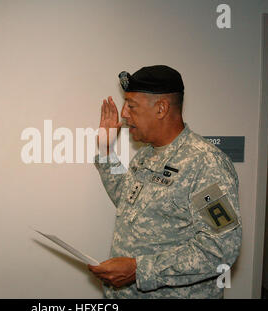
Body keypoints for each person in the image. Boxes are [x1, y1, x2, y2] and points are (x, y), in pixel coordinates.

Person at [88, 65, 242, 298]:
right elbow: (127, 200)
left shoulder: (205, 164)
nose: (124, 114)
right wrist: (105, 151)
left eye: (131, 105)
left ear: (161, 108)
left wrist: (140, 270)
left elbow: (220, 248)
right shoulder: (147, 154)